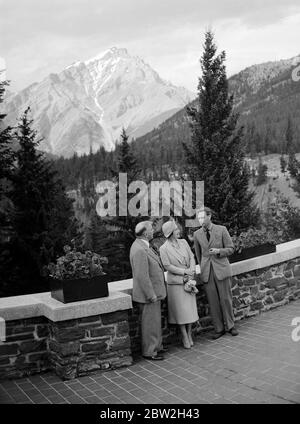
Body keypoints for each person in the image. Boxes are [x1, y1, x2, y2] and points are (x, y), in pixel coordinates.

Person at [193, 207, 238, 339]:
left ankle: (231, 326)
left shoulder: (221, 229)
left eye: (203, 217)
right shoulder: (197, 235)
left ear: (209, 216)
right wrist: (202, 267)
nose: (200, 220)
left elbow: (231, 248)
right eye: (199, 218)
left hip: (222, 269)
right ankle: (219, 329)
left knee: (226, 299)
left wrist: (219, 251)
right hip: (207, 271)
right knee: (213, 301)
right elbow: (198, 254)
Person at [130, 221, 167, 360]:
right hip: (148, 295)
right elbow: (142, 276)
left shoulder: (144, 246)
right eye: (151, 229)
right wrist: (151, 294)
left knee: (155, 321)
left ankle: (157, 347)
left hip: (154, 293)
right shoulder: (139, 249)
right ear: (145, 233)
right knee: (150, 323)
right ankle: (150, 351)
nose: (153, 230)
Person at [159, 220, 199, 349]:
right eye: (176, 230)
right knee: (181, 312)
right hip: (176, 283)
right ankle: (184, 335)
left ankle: (189, 333)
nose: (179, 231)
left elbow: (192, 256)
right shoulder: (163, 248)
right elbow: (167, 266)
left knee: (189, 310)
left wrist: (192, 270)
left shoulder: (184, 242)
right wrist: (184, 271)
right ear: (170, 233)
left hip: (189, 280)